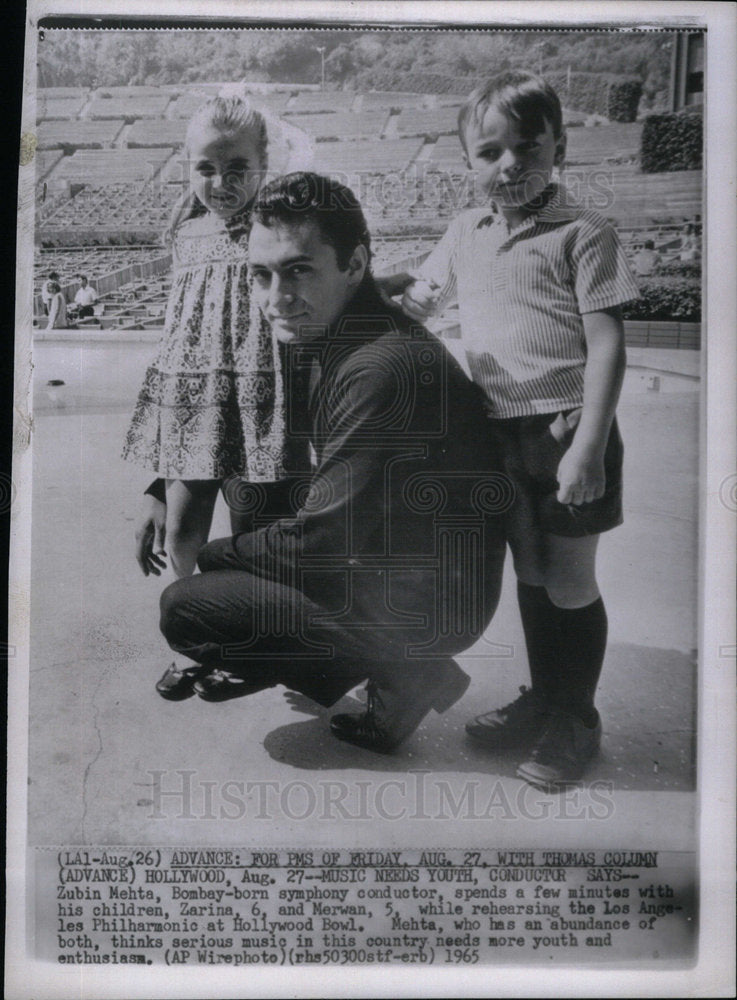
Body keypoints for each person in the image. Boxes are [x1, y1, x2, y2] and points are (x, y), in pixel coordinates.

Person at [155, 172, 508, 752]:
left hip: (435, 600)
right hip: (399, 560)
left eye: (299, 270)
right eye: (262, 275)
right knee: (254, 483)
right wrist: (157, 481)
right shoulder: (327, 330)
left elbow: (321, 542)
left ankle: (407, 670)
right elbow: (236, 417)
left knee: (189, 607)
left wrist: (218, 559)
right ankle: (379, 668)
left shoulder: (378, 368)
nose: (276, 298)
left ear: (354, 264)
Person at [383, 72, 641, 789]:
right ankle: (544, 699)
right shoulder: (466, 231)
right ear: (468, 160)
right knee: (531, 573)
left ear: (558, 145)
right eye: (489, 152)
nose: (509, 166)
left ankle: (576, 717)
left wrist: (588, 445)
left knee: (567, 582)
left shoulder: (584, 234)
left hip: (565, 431)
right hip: (498, 432)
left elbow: (609, 346)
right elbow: (421, 302)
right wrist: (368, 290)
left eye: (527, 147)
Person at [122, 93, 288, 580]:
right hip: (192, 402)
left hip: (257, 399)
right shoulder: (186, 235)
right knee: (180, 535)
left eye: (238, 168)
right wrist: (159, 479)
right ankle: (198, 642)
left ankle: (252, 649)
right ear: (188, 167)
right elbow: (179, 336)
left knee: (253, 539)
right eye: (206, 168)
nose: (221, 183)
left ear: (263, 164)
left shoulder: (276, 225)